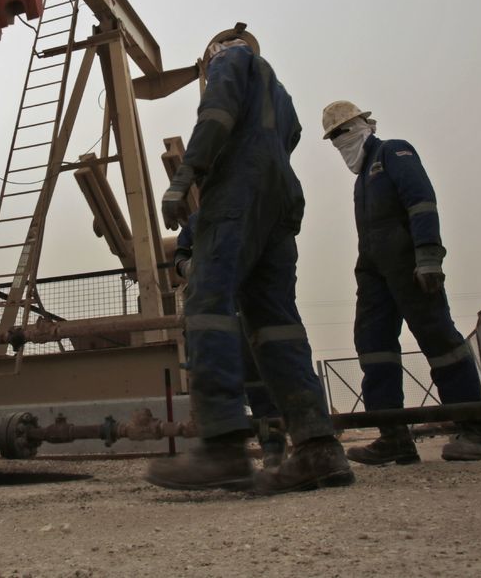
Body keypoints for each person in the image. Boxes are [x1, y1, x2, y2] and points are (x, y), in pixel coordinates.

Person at [146, 27, 352, 494]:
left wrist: (188, 174)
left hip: (238, 189)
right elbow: (291, 138)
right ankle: (319, 448)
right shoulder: (281, 94)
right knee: (275, 319)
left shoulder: (228, 61)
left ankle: (223, 446)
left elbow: (217, 113)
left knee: (207, 301)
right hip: (281, 199)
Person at [320, 100, 481, 463]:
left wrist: (429, 255)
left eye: (342, 132)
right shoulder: (362, 182)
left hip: (409, 266)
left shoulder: (392, 153)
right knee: (373, 345)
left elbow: (421, 200)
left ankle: (475, 429)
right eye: (333, 137)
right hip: (373, 272)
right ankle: (393, 436)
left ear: (362, 125)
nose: (340, 141)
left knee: (438, 338)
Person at [172, 216, 286, 469]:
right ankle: (225, 454)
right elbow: (179, 255)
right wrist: (189, 267)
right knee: (212, 382)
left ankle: (272, 447)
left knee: (257, 379)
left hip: (243, 305)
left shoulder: (244, 210)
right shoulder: (196, 221)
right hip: (206, 310)